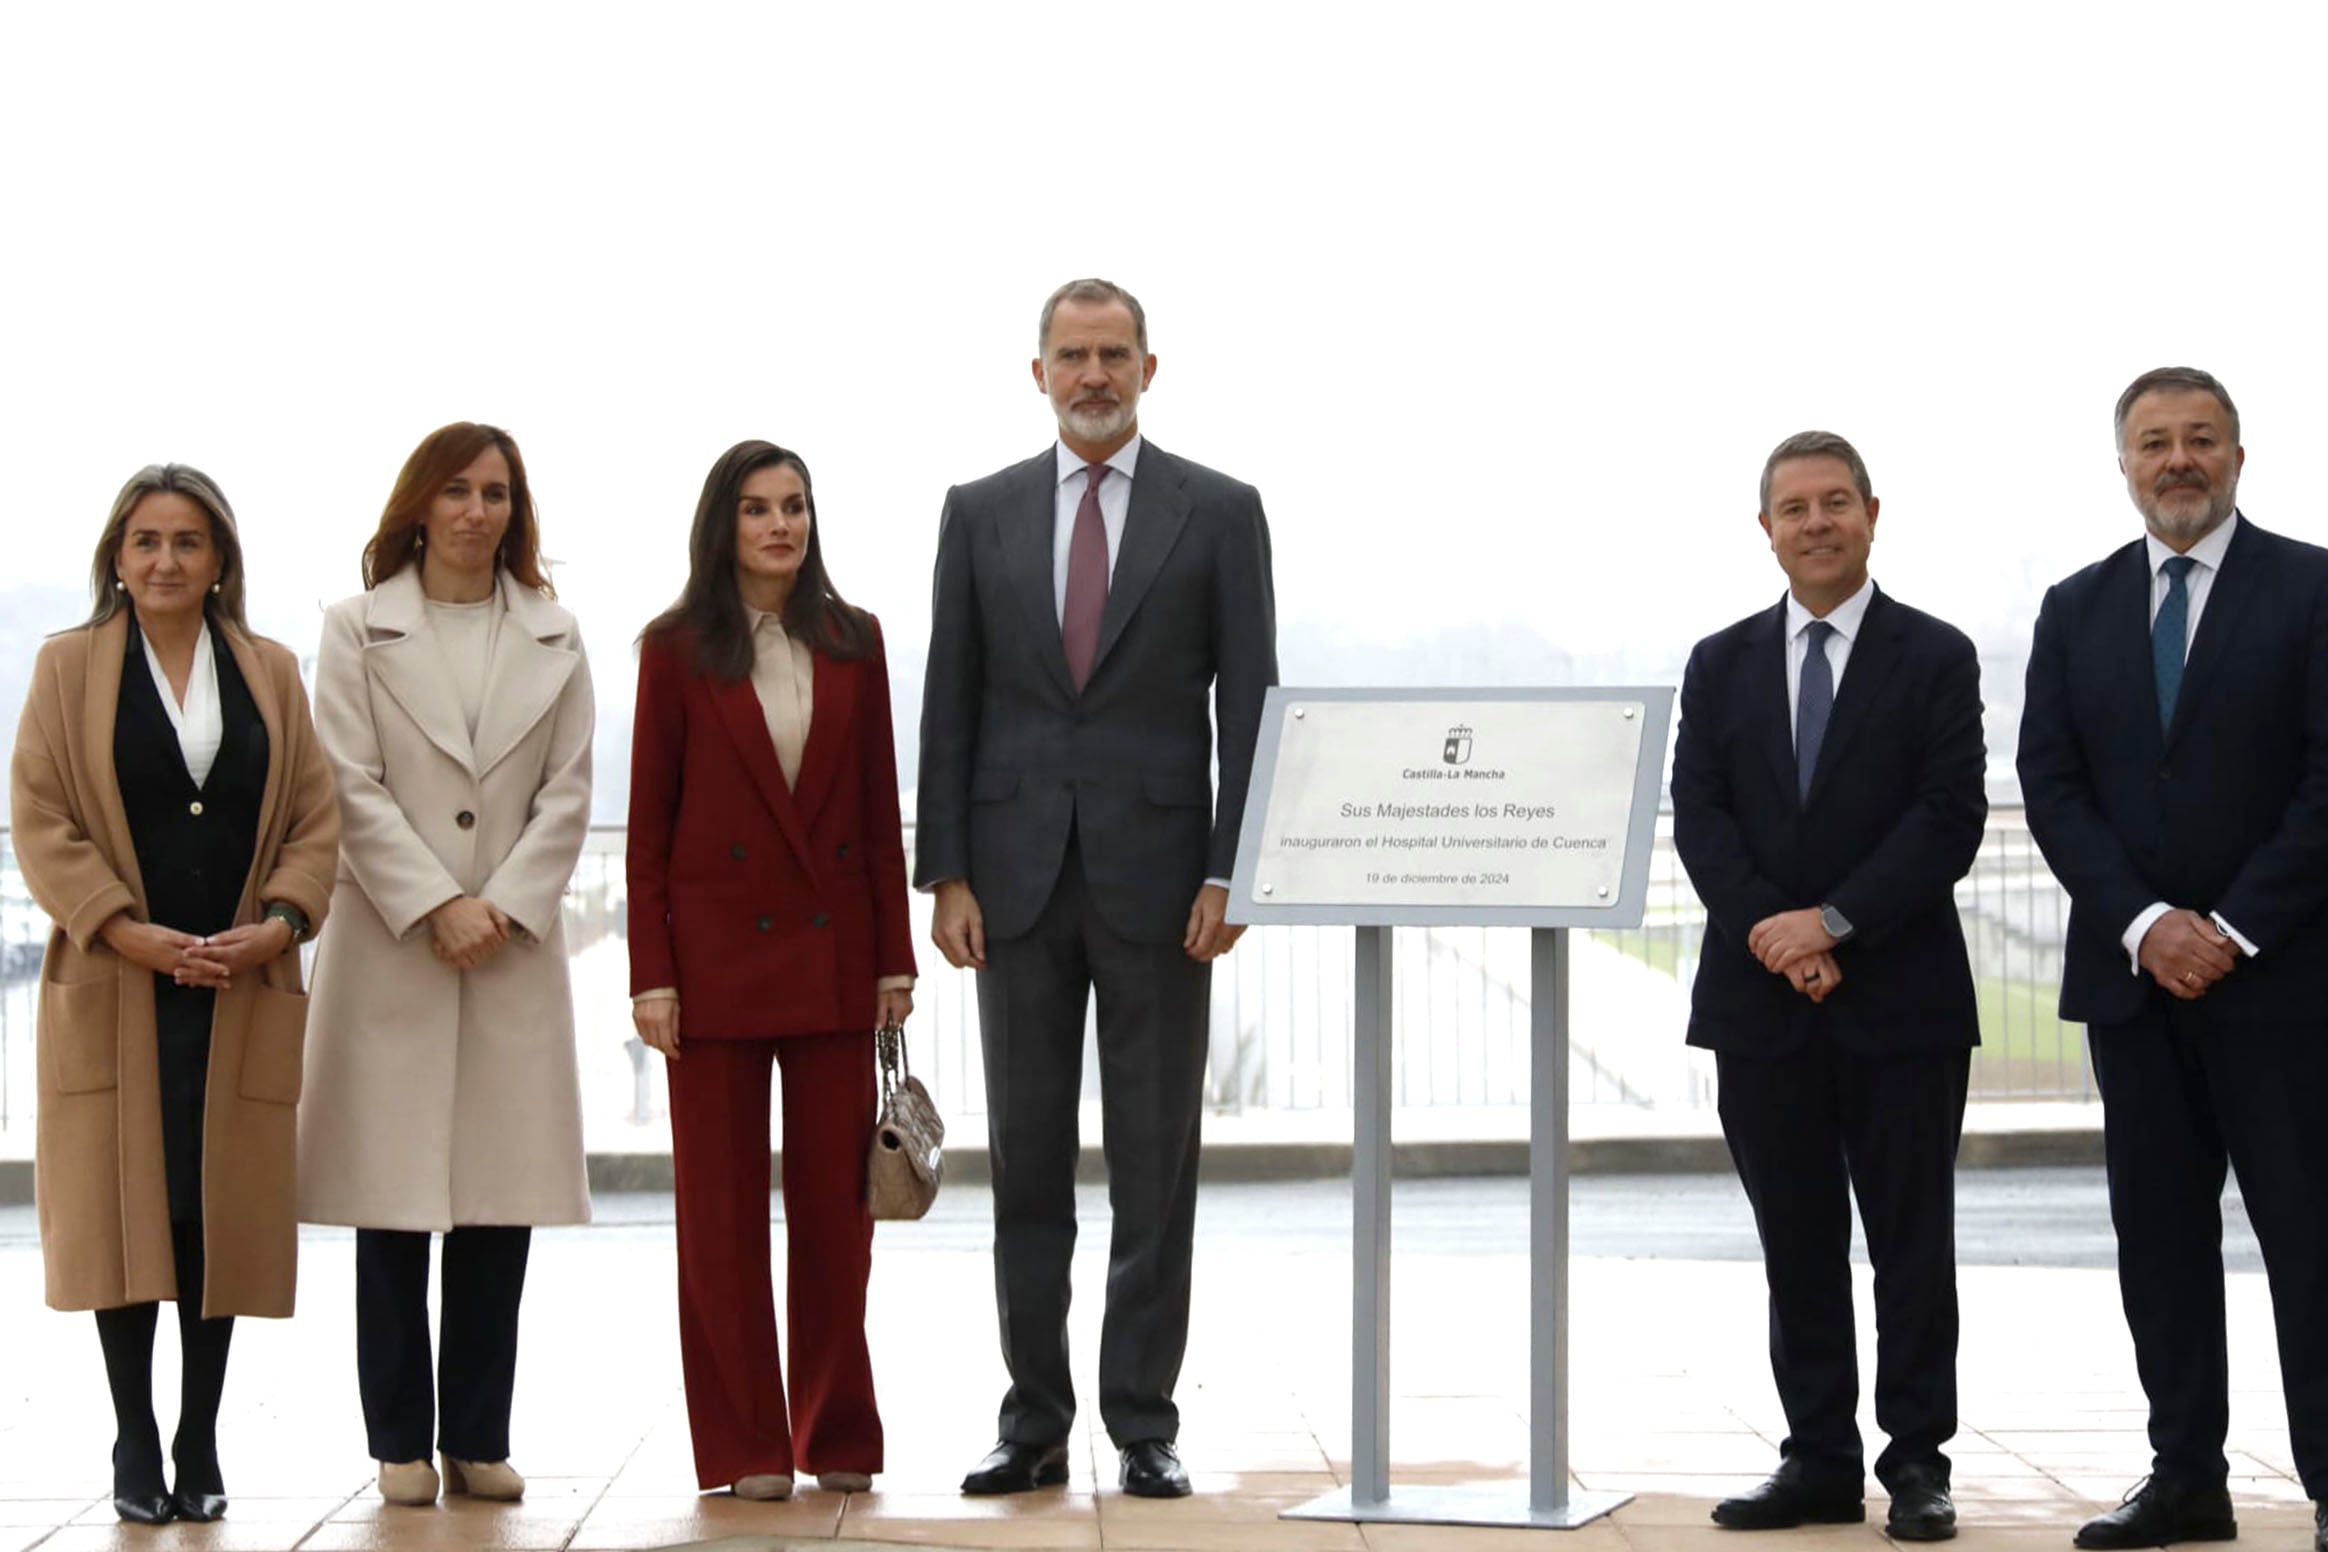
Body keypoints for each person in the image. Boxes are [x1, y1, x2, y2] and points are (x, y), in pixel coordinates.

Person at [916, 278, 1278, 1500]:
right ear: (1037, 373)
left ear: (1149, 367)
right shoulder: (979, 513)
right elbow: (950, 700)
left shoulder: (1221, 513)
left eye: (1113, 353)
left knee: (1154, 1165)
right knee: (1024, 1164)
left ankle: (1142, 1422)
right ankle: (1032, 1420)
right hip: (1012, 886)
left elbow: (1254, 704)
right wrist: (947, 869)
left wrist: (1233, 868)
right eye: (1071, 355)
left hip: (1167, 886)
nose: (1093, 374)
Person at [2019, 367, 2328, 1552]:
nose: (2179, 460)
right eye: (2156, 442)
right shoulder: (2074, 607)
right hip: (2133, 987)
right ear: (2126, 465)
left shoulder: (2309, 588)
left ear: (2239, 457)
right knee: (2158, 1240)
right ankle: (2186, 1477)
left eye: (2202, 439)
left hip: (2287, 983)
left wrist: (2234, 926)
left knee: (2309, 1235)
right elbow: (2052, 784)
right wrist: (2148, 924)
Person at [10, 464, 340, 1525]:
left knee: (215, 1220)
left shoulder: (272, 672)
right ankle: (133, 1434)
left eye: (187, 542)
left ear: (219, 560)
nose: (165, 560)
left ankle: (199, 1432)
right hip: (115, 983)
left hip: (238, 985)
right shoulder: (66, 671)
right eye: (146, 541)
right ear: (117, 556)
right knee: (122, 1217)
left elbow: (312, 819)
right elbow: (41, 815)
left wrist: (280, 924)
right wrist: (121, 926)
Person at [1671, 431, 1985, 1542]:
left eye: (1835, 502)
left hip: (1901, 999)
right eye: (1794, 507)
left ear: (1871, 513)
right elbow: (1700, 817)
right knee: (1795, 1242)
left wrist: (1835, 922)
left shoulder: (1937, 655)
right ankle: (1817, 1458)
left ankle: (1916, 1463)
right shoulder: (1717, 663)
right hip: (1761, 1004)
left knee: (1911, 1241)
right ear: (1765, 528)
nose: (1816, 523)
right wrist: (1775, 931)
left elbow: (1949, 816)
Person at [298, 422, 595, 1507]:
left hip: (507, 954)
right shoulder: (352, 630)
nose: (478, 511)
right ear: (419, 505)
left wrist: (500, 906)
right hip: (394, 945)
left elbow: (568, 794)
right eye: (459, 491)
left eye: (498, 493)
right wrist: (434, 902)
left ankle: (479, 1434)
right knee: (392, 1203)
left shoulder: (557, 636)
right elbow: (346, 780)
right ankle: (398, 1441)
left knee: (495, 1204)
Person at [627, 439, 916, 1501]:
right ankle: (746, 1443)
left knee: (840, 1212)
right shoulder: (673, 649)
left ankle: (835, 1423)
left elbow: (879, 811)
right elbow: (646, 830)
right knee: (719, 1217)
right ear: (724, 525)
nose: (780, 525)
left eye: (794, 506)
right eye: (757, 509)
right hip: (709, 971)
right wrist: (651, 975)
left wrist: (894, 959)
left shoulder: (855, 639)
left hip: (838, 957)